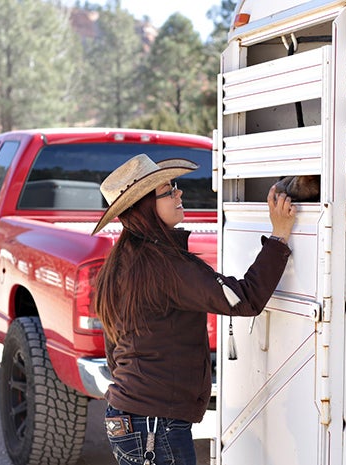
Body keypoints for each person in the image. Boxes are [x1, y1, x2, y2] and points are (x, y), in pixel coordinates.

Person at [92, 153, 296, 465]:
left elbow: (113, 348)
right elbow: (245, 297)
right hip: (153, 424)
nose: (179, 193)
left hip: (130, 417)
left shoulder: (121, 261)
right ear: (145, 207)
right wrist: (279, 236)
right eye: (168, 190)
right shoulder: (164, 265)